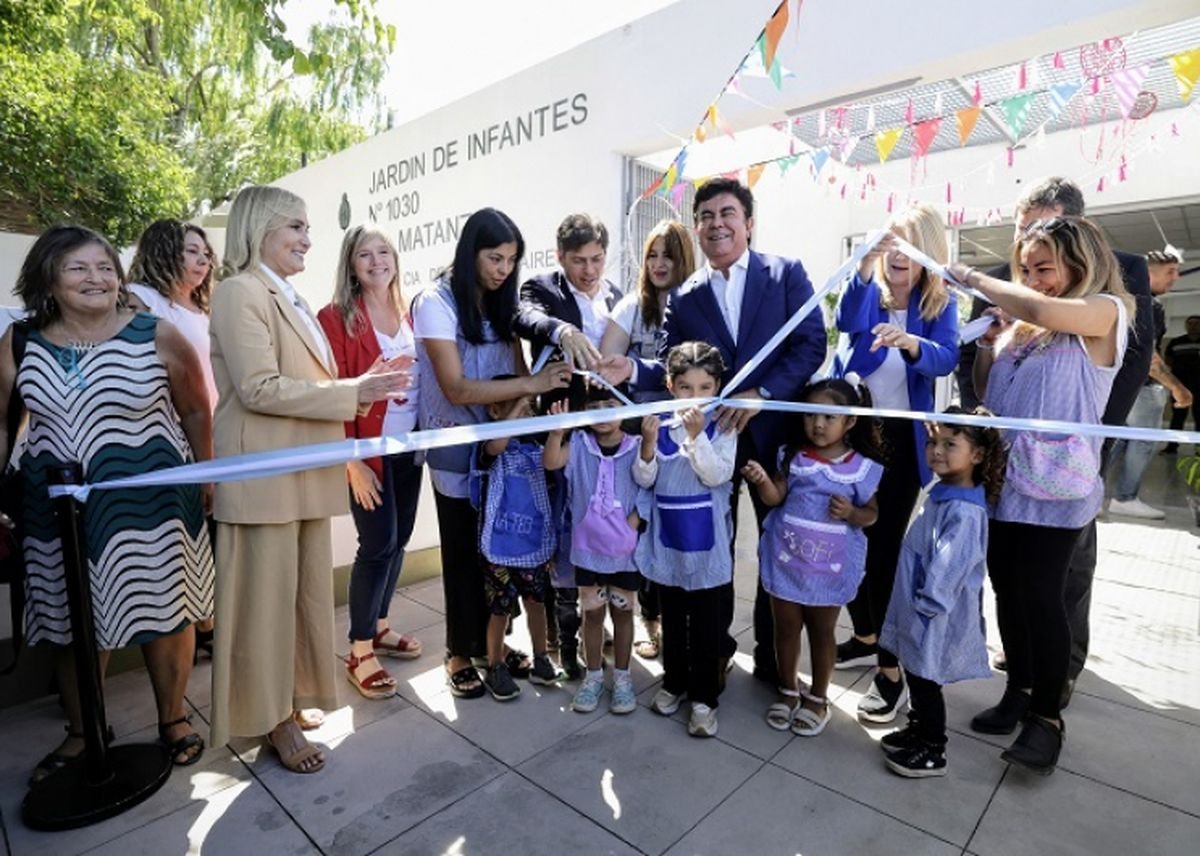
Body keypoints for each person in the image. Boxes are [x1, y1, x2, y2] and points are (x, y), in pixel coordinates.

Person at [208, 186, 410, 774]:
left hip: (298, 477)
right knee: (266, 610)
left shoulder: (284, 293)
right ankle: (273, 723)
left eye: (307, 228)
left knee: (299, 604)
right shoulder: (239, 291)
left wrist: (362, 382)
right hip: (267, 482)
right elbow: (259, 388)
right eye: (295, 226)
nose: (307, 239)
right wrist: (355, 391)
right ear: (259, 227)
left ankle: (288, 705)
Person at [1, 225, 214, 780]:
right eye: (78, 268)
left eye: (104, 267)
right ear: (48, 276)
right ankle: (83, 730)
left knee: (166, 611)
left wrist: (206, 476)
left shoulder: (156, 334)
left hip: (154, 504)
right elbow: (2, 423)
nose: (96, 278)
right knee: (71, 620)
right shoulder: (20, 342)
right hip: (53, 512)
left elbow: (195, 409)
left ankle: (173, 721)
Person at [603, 178, 827, 686]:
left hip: (772, 436)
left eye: (727, 212)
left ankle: (774, 660)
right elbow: (670, 364)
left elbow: (810, 345)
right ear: (697, 228)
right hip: (706, 440)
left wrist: (762, 395)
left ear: (749, 223)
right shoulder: (685, 296)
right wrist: (631, 371)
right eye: (705, 215)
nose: (716, 223)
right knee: (712, 552)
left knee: (778, 543)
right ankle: (714, 652)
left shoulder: (785, 275)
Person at [948, 215, 1134, 775]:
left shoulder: (1105, 312)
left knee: (1042, 598)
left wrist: (975, 280)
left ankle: (1047, 719)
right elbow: (988, 391)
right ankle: (1020, 691)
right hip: (1006, 480)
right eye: (1024, 269)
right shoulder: (1022, 328)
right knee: (1006, 589)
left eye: (1043, 268)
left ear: (1082, 263)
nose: (1032, 279)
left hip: (1057, 488)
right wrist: (986, 345)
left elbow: (1046, 310)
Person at [413, 208, 570, 699]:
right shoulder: (435, 301)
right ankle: (458, 653)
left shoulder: (501, 304)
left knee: (496, 551)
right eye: (494, 257)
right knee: (461, 550)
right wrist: (532, 385)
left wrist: (532, 395)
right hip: (456, 445)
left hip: (503, 447)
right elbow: (456, 389)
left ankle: (491, 649)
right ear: (470, 252)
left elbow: (520, 369)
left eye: (511, 260)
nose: (503, 269)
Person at [830, 204, 960, 725]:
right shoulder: (870, 296)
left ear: (926, 252)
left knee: (882, 555)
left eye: (905, 246)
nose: (895, 257)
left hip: (903, 448)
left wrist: (911, 344)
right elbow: (847, 329)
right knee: (843, 543)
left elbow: (946, 358)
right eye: (887, 246)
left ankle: (890, 673)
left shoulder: (938, 305)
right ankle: (865, 636)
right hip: (856, 437)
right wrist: (862, 268)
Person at [317, 226, 425, 702]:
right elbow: (332, 393)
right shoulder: (336, 317)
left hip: (408, 449)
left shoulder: (408, 312)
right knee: (377, 543)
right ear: (351, 264)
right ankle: (359, 650)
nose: (377, 260)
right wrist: (352, 463)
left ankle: (380, 627)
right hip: (369, 453)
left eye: (384, 251)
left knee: (399, 539)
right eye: (365, 254)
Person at [742, 379, 883, 738]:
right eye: (810, 415)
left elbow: (872, 515)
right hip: (787, 560)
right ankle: (789, 690)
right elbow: (775, 498)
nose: (818, 424)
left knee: (822, 632)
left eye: (829, 416)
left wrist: (852, 513)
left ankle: (818, 697)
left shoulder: (862, 468)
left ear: (850, 422)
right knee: (786, 628)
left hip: (828, 568)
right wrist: (762, 482)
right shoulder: (793, 456)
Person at [515, 213, 622, 679]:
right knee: (563, 534)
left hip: (612, 436)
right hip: (563, 434)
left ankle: (606, 622)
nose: (589, 270)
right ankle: (565, 641)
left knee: (606, 524)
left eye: (597, 259)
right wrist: (563, 331)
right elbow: (525, 316)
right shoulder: (544, 289)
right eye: (578, 261)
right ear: (560, 257)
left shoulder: (618, 296)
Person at [877, 409, 1005, 778]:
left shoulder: (964, 510)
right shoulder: (944, 491)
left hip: (932, 611)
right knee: (916, 670)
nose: (936, 451)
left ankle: (933, 748)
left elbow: (950, 566)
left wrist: (927, 607)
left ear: (977, 455)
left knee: (925, 678)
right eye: (933, 442)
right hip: (917, 603)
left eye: (951, 444)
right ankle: (918, 729)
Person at [599, 219, 696, 659]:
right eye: (652, 255)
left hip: (681, 437)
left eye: (667, 255)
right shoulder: (631, 307)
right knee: (637, 525)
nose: (658, 263)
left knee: (669, 524)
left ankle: (678, 622)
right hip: (636, 438)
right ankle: (647, 619)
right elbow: (609, 360)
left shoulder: (695, 303)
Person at [635, 342, 738, 738]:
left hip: (707, 544)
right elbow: (645, 479)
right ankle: (673, 683)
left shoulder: (724, 426)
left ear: (718, 387)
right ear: (669, 385)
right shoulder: (657, 425)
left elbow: (718, 476)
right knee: (673, 619)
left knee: (708, 624)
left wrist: (697, 438)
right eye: (685, 388)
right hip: (669, 540)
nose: (695, 398)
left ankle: (704, 700)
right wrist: (646, 448)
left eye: (705, 387)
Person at [127, 218, 219, 656]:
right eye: (190, 251)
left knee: (207, 538)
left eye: (205, 253)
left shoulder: (202, 310)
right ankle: (200, 628)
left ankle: (207, 626)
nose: (201, 260)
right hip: (169, 443)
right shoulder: (141, 300)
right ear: (162, 252)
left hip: (212, 440)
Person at [544, 385, 644, 715]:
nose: (602, 411)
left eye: (610, 404)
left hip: (626, 552)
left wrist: (635, 519)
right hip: (587, 551)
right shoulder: (579, 446)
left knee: (624, 613)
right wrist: (557, 433)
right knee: (592, 613)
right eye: (594, 405)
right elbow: (550, 462)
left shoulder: (638, 446)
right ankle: (593, 675)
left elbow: (652, 484)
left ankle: (624, 676)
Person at [472, 383, 564, 701]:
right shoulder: (491, 446)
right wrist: (519, 403)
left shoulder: (537, 447)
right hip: (498, 548)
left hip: (533, 546)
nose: (525, 412)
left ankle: (540, 658)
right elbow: (496, 446)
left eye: (528, 407)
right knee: (500, 610)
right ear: (495, 411)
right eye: (515, 406)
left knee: (537, 604)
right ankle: (495, 665)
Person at [1109, 249, 1190, 518]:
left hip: (1118, 386)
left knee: (1118, 441)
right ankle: (1125, 497)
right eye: (1170, 271)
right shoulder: (1149, 306)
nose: (1176, 278)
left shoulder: (1121, 302)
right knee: (1142, 442)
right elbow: (1150, 359)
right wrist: (1176, 386)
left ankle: (1096, 494)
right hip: (1141, 388)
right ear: (1147, 272)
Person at [1162, 314, 1200, 454]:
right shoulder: (1176, 342)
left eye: (1197, 323)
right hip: (1180, 386)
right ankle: (1172, 447)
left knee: (1199, 418)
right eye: (1190, 323)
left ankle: (1199, 449)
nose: (1193, 326)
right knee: (1177, 418)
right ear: (1186, 326)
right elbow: (1168, 361)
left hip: (1199, 387)